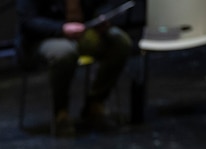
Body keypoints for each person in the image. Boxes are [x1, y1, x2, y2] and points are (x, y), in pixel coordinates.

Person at [16, 0, 132, 137]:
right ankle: (61, 114)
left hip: (82, 31)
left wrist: (101, 17)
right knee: (63, 52)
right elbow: (28, 22)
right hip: (44, 37)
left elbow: (105, 3)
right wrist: (62, 28)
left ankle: (95, 104)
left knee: (120, 42)